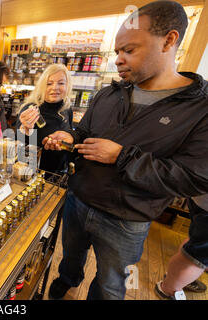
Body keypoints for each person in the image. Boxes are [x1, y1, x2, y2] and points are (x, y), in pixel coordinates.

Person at [43, 1, 208, 300]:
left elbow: (193, 178)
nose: (118, 59)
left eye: (129, 50)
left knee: (110, 285)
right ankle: (68, 278)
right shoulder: (108, 93)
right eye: (117, 51)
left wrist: (121, 156)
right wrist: (67, 136)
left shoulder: (199, 108)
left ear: (169, 40)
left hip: (127, 219)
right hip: (78, 200)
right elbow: (84, 135)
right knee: (70, 257)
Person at [15, 63, 73, 174]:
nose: (55, 88)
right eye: (49, 83)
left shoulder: (67, 109)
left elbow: (70, 136)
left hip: (60, 173)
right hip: (35, 174)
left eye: (61, 83)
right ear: (42, 86)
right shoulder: (32, 109)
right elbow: (19, 142)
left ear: (67, 86)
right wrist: (25, 129)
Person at [155, 194, 208, 300]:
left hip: (201, 198)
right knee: (196, 259)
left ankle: (176, 277)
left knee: (194, 244)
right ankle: (169, 289)